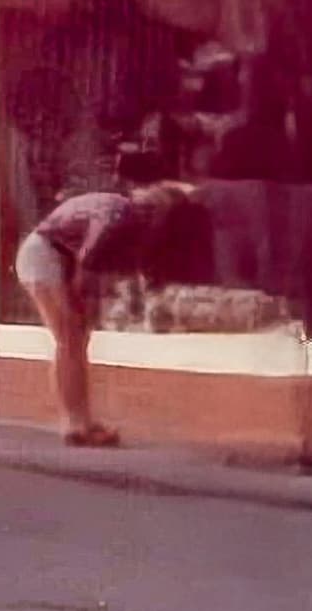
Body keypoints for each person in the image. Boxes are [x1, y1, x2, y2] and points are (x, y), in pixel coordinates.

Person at [15, 153, 191, 448]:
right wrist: (82, 297)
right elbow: (87, 263)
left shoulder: (128, 214)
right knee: (68, 338)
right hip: (45, 254)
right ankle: (73, 423)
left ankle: (82, 421)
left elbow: (96, 267)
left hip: (59, 256)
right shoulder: (120, 215)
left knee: (76, 340)